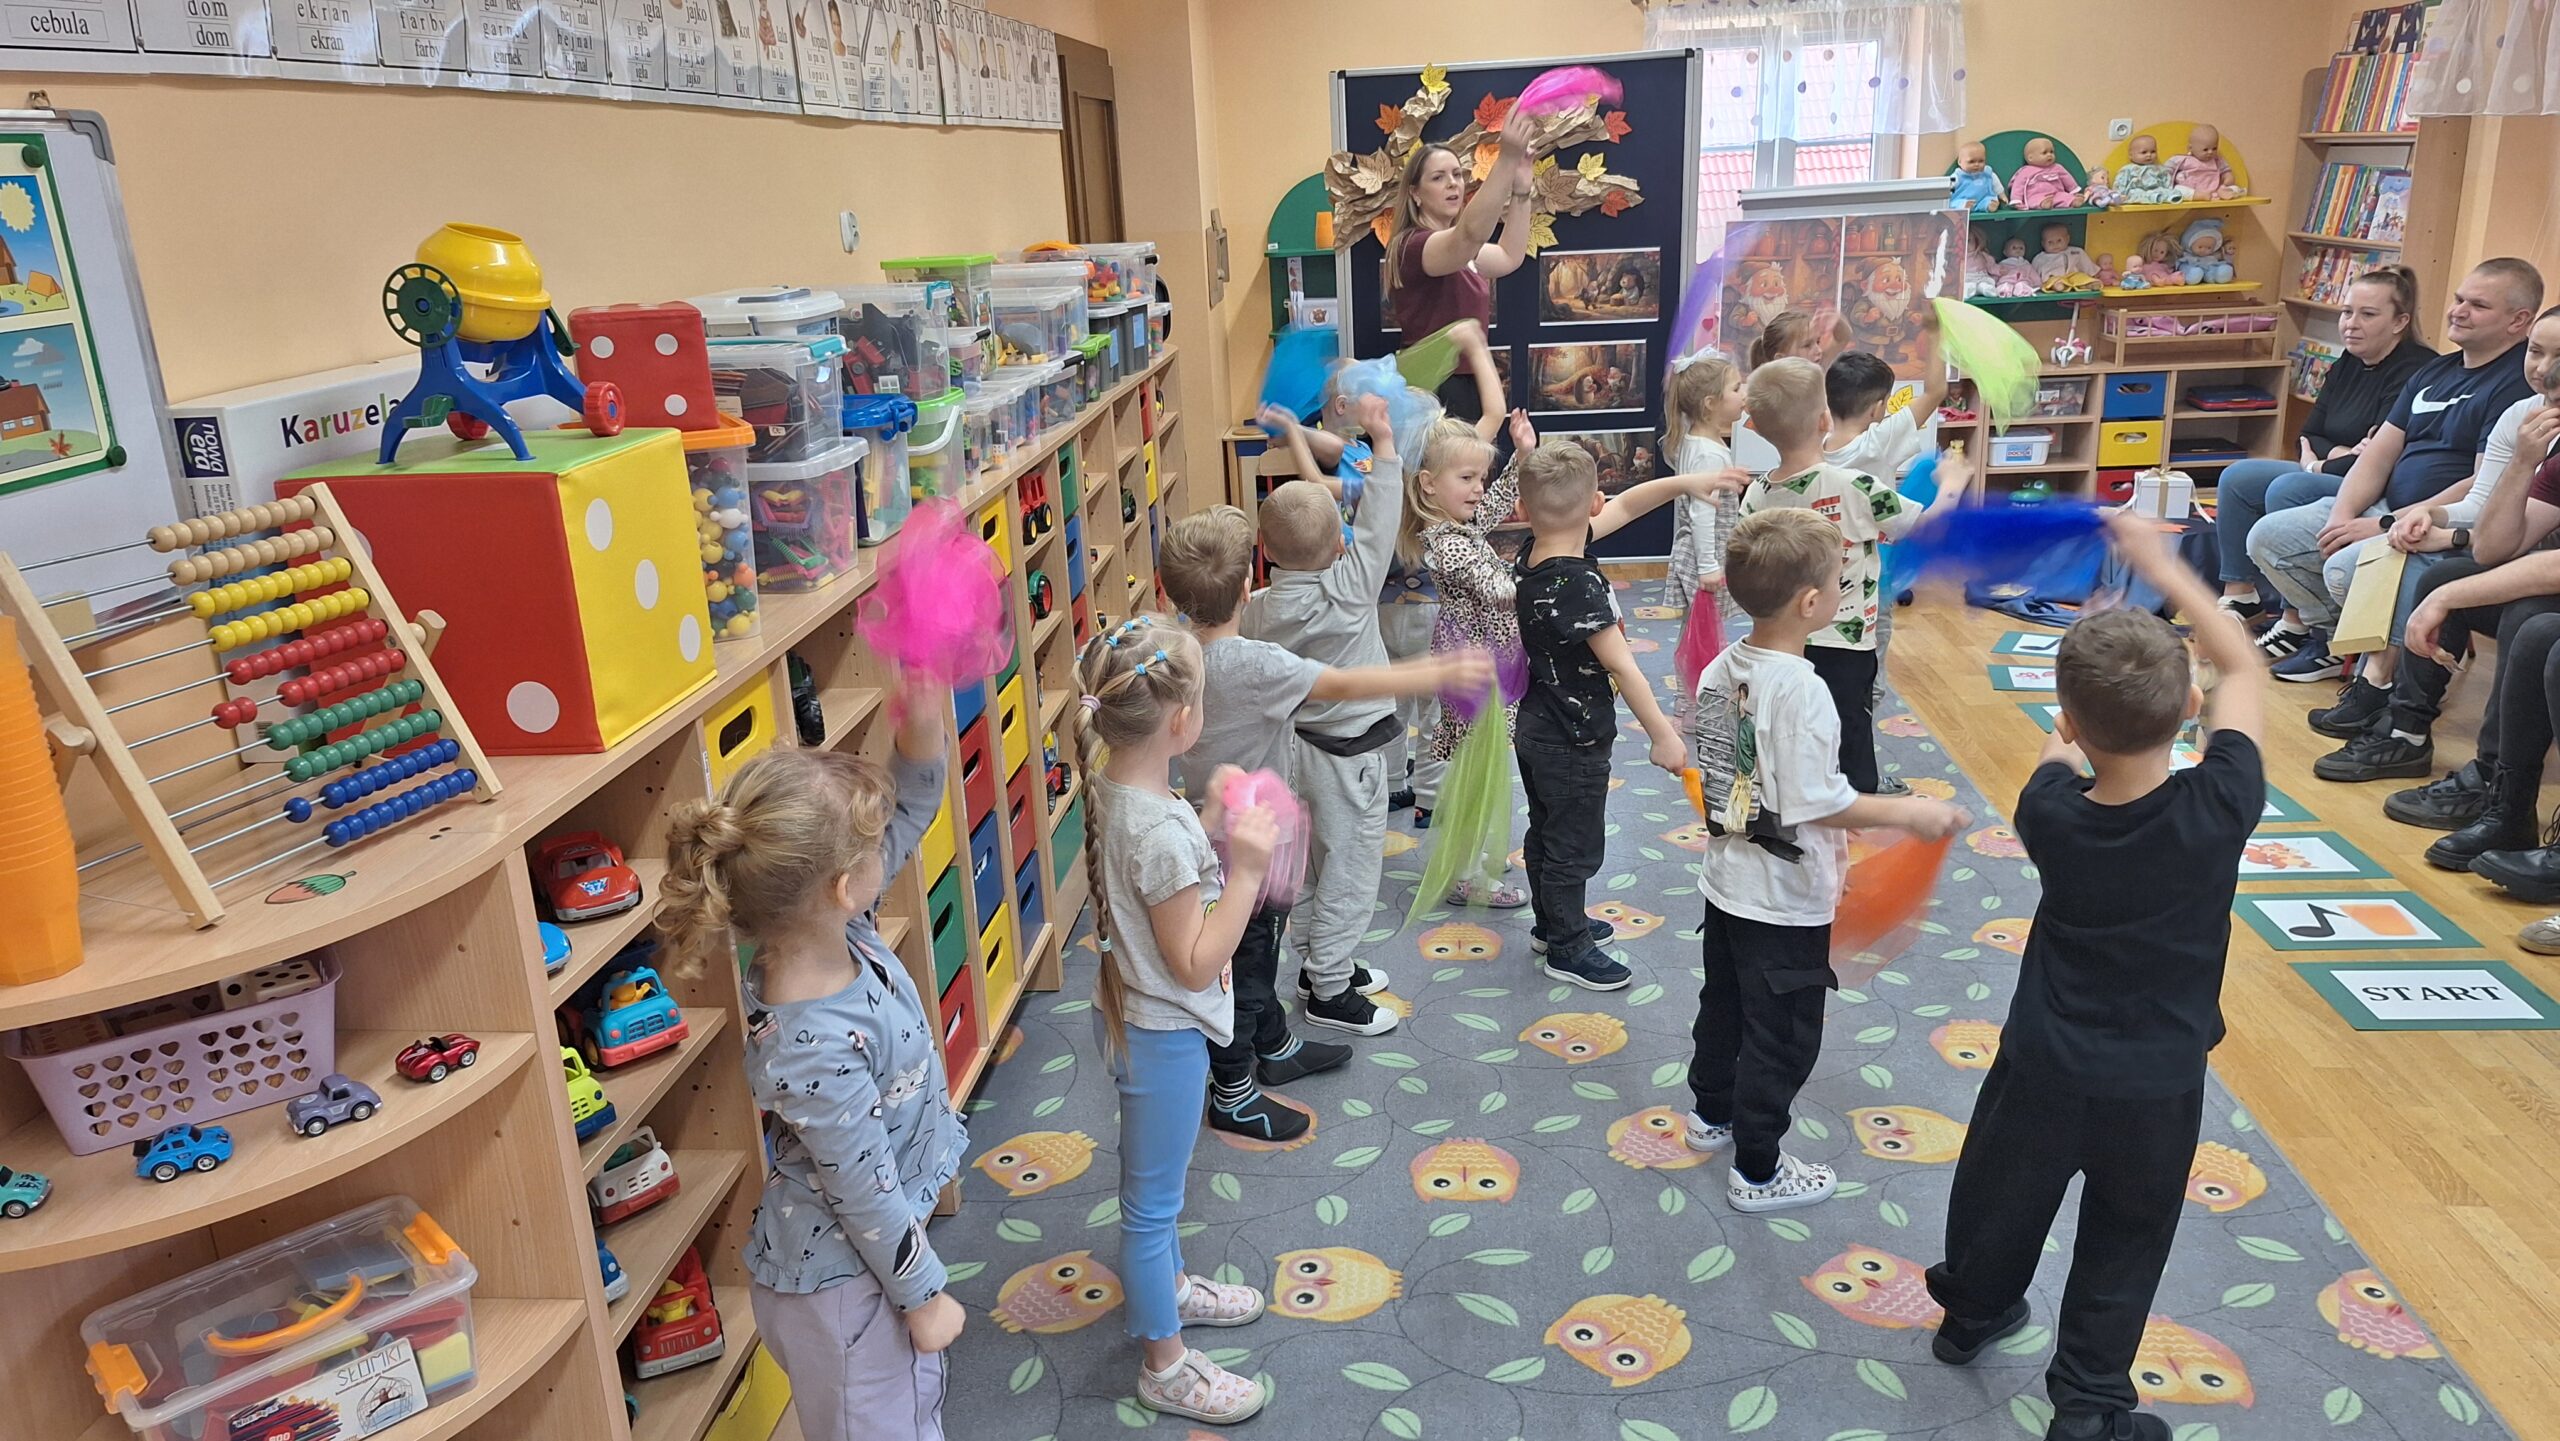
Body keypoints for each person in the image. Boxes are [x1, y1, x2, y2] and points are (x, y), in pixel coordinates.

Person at [1926, 511, 2265, 1441]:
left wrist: (2083, 686)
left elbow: (2063, 750)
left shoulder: (2048, 808)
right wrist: (2164, 566)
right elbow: (2242, 666)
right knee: (2129, 1233)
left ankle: (1970, 1312)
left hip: (2042, 1059)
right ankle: (2088, 1404)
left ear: (2071, 721)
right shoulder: (2222, 802)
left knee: (1999, 1194)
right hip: (2157, 1079)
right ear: (2188, 708)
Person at [657, 676, 961, 1441]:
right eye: (872, 846)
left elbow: (915, 804)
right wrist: (923, 1295)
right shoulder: (813, 1041)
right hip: (845, 1284)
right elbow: (863, 1193)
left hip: (863, 1264)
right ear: (844, 885)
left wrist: (923, 714)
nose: (888, 845)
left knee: (908, 1409)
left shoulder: (831, 929)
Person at [1157, 505, 1491, 1140]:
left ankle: (1275, 1044)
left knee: (1260, 950)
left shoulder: (1175, 652)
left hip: (1218, 823)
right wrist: (1439, 670)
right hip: (1250, 840)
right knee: (1247, 967)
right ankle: (1233, 1091)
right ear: (1249, 584)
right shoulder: (1255, 662)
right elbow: (1344, 682)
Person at [1683, 507, 1967, 1213]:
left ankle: (1711, 1111)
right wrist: (1909, 812)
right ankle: (1758, 1169)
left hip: (1727, 880)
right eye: (1842, 579)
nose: (1847, 588)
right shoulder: (1804, 689)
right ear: (1812, 603)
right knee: (1782, 1033)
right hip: (1783, 898)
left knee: (1724, 1004)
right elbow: (1816, 799)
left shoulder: (1721, 666)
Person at [1070, 615, 1278, 1425]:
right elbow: (1193, 961)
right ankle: (1164, 1362)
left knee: (1156, 1191)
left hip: (1135, 1012)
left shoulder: (1122, 785)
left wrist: (1210, 824)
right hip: (1162, 1033)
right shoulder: (1155, 828)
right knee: (1151, 1205)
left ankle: (1172, 1284)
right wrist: (1247, 872)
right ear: (1183, 720)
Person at [2247, 258, 2541, 681]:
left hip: (2434, 525)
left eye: (2477, 305)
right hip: (2386, 506)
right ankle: (2333, 642)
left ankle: (2377, 675)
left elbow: (2482, 485)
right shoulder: (2435, 370)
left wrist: (2386, 524)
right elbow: (2379, 455)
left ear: (2518, 321)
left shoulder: (2516, 385)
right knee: (2269, 537)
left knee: (2343, 567)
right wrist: (2341, 517)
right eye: (2459, 299)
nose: (2458, 311)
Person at [1512, 441, 1730, 989]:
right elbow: (1623, 666)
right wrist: (1663, 736)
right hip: (1574, 738)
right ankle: (1568, 947)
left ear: (1523, 508)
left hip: (1536, 727)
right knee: (1573, 846)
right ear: (1593, 503)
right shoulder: (1579, 584)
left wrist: (1685, 485)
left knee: (1546, 831)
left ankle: (1552, 922)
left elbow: (1630, 504)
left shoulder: (1533, 551)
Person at [2308, 305, 2560, 758]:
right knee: (2435, 571)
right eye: (2536, 352)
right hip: (2508, 553)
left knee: (2524, 616)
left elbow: (2520, 553)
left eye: (2558, 357)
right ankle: (2404, 732)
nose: (2543, 369)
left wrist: (2451, 541)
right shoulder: (2522, 414)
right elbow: (2491, 526)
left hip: (2536, 575)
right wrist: (2432, 515)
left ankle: (2494, 773)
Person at [1244, 391, 1413, 1037]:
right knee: (1350, 870)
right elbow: (1382, 516)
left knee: (1313, 865)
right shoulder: (1349, 590)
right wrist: (1384, 443)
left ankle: (1316, 963)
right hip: (1352, 759)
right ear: (1339, 545)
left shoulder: (1259, 609)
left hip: (1296, 755)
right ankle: (1331, 988)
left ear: (1266, 549)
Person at [1740, 358, 1965, 794]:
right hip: (1845, 641)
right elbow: (1927, 528)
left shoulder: (1756, 494)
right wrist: (1952, 483)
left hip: (1780, 638)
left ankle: (1794, 792)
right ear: (1824, 420)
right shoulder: (1855, 485)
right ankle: (1853, 802)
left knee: (1792, 724)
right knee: (1850, 731)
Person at [2213, 267, 2433, 628]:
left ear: (2400, 322)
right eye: (2347, 312)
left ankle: (2296, 618)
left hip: (2378, 488)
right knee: (2239, 477)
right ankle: (2241, 596)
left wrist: (2318, 463)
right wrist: (2338, 453)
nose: (2351, 324)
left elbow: (2377, 459)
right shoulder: (2349, 360)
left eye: (2367, 314)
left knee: (2290, 487)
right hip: (2333, 469)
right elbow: (2309, 434)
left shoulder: (2416, 370)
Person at [1406, 411, 1535, 902]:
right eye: (1466, 478)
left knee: (1482, 767)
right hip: (1474, 671)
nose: (1479, 488)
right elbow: (1501, 593)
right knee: (1477, 776)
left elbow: (1497, 499)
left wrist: (1522, 454)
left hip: (1485, 662)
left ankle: (1473, 857)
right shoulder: (1448, 544)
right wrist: (1540, 572)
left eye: (1480, 477)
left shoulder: (1460, 525)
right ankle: (1466, 873)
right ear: (1429, 484)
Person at [1384, 110, 1538, 421]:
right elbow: (1469, 235)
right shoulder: (1412, 245)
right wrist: (1506, 159)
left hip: (1467, 383)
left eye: (1457, 174)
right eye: (1438, 177)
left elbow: (1509, 255)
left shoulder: (1458, 249)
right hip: (1435, 389)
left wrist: (1521, 189)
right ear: (1415, 193)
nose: (1453, 184)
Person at [1663, 353, 1750, 648]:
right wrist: (1708, 566)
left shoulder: (1700, 442)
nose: (1743, 394)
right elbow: (1702, 514)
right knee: (1701, 632)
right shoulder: (1707, 453)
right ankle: (1694, 677)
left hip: (1703, 550)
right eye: (1736, 388)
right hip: (1704, 553)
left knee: (1700, 629)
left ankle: (1694, 674)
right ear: (1710, 403)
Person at [1822, 339, 1949, 481]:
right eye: (1886, 402)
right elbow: (1935, 392)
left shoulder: (1816, 446)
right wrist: (1934, 334)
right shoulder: (1878, 443)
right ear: (1876, 410)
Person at [1748, 309, 1851, 371]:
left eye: (1817, 342)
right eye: (1807, 345)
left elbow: (1842, 339)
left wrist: (1836, 322)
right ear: (1780, 359)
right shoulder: (1776, 396)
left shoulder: (1817, 372)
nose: (1818, 350)